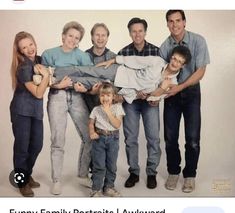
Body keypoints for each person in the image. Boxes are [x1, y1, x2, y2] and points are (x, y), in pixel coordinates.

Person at [34, 46, 192, 105]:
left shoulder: (173, 83)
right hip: (119, 72)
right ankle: (51, 71)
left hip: (121, 90)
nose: (174, 63)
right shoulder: (157, 61)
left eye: (179, 62)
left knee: (87, 81)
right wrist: (114, 60)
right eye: (174, 58)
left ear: (183, 65)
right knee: (86, 69)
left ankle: (50, 80)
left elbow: (152, 99)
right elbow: (136, 60)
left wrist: (161, 89)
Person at [159, 10, 210, 193]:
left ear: (184, 22)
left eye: (178, 20)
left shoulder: (198, 41)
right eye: (171, 21)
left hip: (191, 93)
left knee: (193, 139)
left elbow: (200, 71)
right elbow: (162, 75)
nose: (175, 25)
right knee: (170, 138)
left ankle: (190, 175)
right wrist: (156, 94)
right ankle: (173, 172)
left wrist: (181, 87)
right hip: (171, 95)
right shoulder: (165, 47)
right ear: (167, 24)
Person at [41, 21, 93, 195]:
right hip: (57, 98)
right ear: (63, 35)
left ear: (79, 41)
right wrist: (57, 85)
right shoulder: (49, 54)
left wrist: (83, 87)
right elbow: (44, 81)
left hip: (77, 97)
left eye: (76, 38)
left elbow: (89, 78)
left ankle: (82, 174)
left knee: (90, 135)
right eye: (70, 35)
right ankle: (56, 180)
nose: (72, 39)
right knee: (58, 140)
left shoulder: (83, 57)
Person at [118, 17, 160, 189]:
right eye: (133, 31)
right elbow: (120, 82)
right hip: (131, 102)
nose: (137, 34)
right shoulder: (123, 53)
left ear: (145, 32)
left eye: (140, 30)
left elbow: (161, 78)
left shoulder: (156, 52)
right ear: (129, 33)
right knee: (131, 139)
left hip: (150, 102)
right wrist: (135, 92)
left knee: (153, 138)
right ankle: (134, 172)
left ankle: (151, 173)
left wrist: (155, 95)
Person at [10, 31, 49, 197]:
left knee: (37, 145)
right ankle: (21, 181)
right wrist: (46, 75)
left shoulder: (40, 60)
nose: (29, 49)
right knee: (22, 148)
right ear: (20, 51)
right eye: (24, 47)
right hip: (21, 111)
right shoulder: (24, 67)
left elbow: (48, 83)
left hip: (35, 111)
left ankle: (26, 173)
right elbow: (39, 93)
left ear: (34, 42)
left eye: (30, 44)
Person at [88, 82, 125, 197]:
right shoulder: (96, 109)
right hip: (99, 139)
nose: (105, 98)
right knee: (98, 165)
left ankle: (109, 187)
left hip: (113, 139)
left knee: (111, 165)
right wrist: (92, 132)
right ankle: (96, 189)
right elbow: (90, 123)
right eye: (102, 95)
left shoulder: (118, 107)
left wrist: (108, 111)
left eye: (108, 95)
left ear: (113, 96)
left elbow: (117, 124)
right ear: (99, 97)